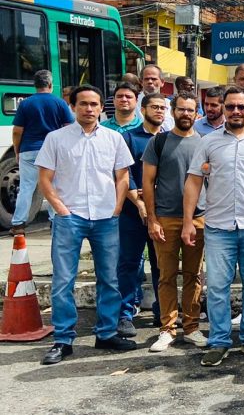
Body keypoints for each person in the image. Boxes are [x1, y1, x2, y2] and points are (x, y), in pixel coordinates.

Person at [182, 86, 244, 367]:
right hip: (217, 227)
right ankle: (219, 340)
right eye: (231, 107)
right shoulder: (208, 142)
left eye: (242, 106)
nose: (236, 111)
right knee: (216, 286)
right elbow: (193, 181)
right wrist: (189, 221)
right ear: (223, 109)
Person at [37, 85, 136, 365]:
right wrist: (61, 209)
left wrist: (116, 209)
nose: (89, 109)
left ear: (100, 108)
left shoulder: (114, 139)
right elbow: (45, 179)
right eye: (83, 104)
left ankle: (105, 333)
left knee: (110, 279)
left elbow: (122, 177)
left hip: (106, 217)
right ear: (73, 106)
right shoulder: (56, 139)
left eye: (94, 104)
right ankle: (63, 339)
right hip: (71, 217)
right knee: (63, 281)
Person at [143, 93, 208, 352]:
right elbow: (147, 183)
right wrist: (152, 219)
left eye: (190, 110)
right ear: (173, 111)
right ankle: (167, 330)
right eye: (181, 109)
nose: (185, 114)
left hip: (199, 218)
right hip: (166, 218)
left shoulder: (205, 143)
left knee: (194, 276)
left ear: (196, 113)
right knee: (166, 276)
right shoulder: (158, 142)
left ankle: (191, 327)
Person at [115, 93, 169, 339]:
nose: (159, 111)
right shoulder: (129, 138)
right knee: (128, 264)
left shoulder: (169, 139)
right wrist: (139, 203)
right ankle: (125, 315)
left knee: (161, 265)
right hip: (132, 213)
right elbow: (124, 176)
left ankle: (164, 310)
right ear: (143, 109)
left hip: (162, 214)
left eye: (162, 108)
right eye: (154, 107)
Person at [11, 69, 73, 233]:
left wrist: (18, 150)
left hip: (29, 150)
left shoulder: (25, 103)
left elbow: (17, 131)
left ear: (35, 85)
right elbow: (69, 128)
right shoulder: (59, 103)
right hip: (52, 151)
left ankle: (18, 224)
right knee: (54, 186)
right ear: (51, 85)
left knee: (26, 188)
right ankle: (55, 220)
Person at [138, 65, 174, 130]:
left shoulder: (170, 105)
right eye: (146, 79)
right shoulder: (133, 103)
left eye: (154, 79)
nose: (150, 82)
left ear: (162, 82)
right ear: (141, 82)